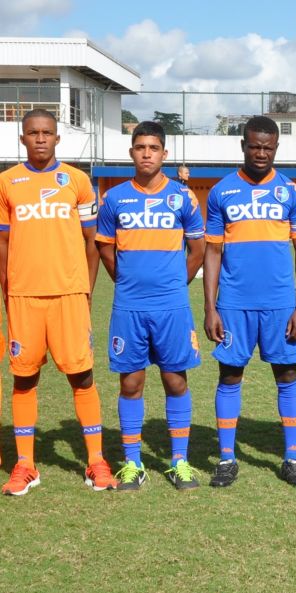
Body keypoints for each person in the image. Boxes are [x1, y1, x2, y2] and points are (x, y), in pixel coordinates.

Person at [0, 108, 117, 495]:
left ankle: (97, 461)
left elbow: (92, 243)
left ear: (57, 138)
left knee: (81, 375)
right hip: (24, 295)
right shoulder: (7, 183)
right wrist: (8, 292)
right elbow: (3, 244)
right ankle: (25, 465)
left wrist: (84, 291)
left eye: (46, 133)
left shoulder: (77, 181)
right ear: (22, 138)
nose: (39, 139)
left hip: (68, 295)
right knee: (24, 376)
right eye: (32, 133)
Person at [203, 115, 296, 488]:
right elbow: (212, 254)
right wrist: (210, 307)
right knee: (230, 374)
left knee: (286, 374)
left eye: (268, 147)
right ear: (243, 146)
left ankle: (293, 459)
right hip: (234, 303)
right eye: (254, 146)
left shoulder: (292, 192)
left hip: (281, 303)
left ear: (276, 148)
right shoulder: (221, 192)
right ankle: (227, 458)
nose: (261, 152)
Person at [96, 121, 205, 490]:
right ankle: (132, 463)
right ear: (131, 153)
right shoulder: (115, 198)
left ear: (164, 154)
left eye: (153, 148)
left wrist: (178, 284)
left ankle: (179, 462)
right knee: (131, 382)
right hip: (129, 307)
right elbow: (105, 248)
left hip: (172, 307)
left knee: (175, 380)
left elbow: (198, 248)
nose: (146, 153)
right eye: (140, 147)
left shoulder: (182, 197)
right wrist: (126, 282)